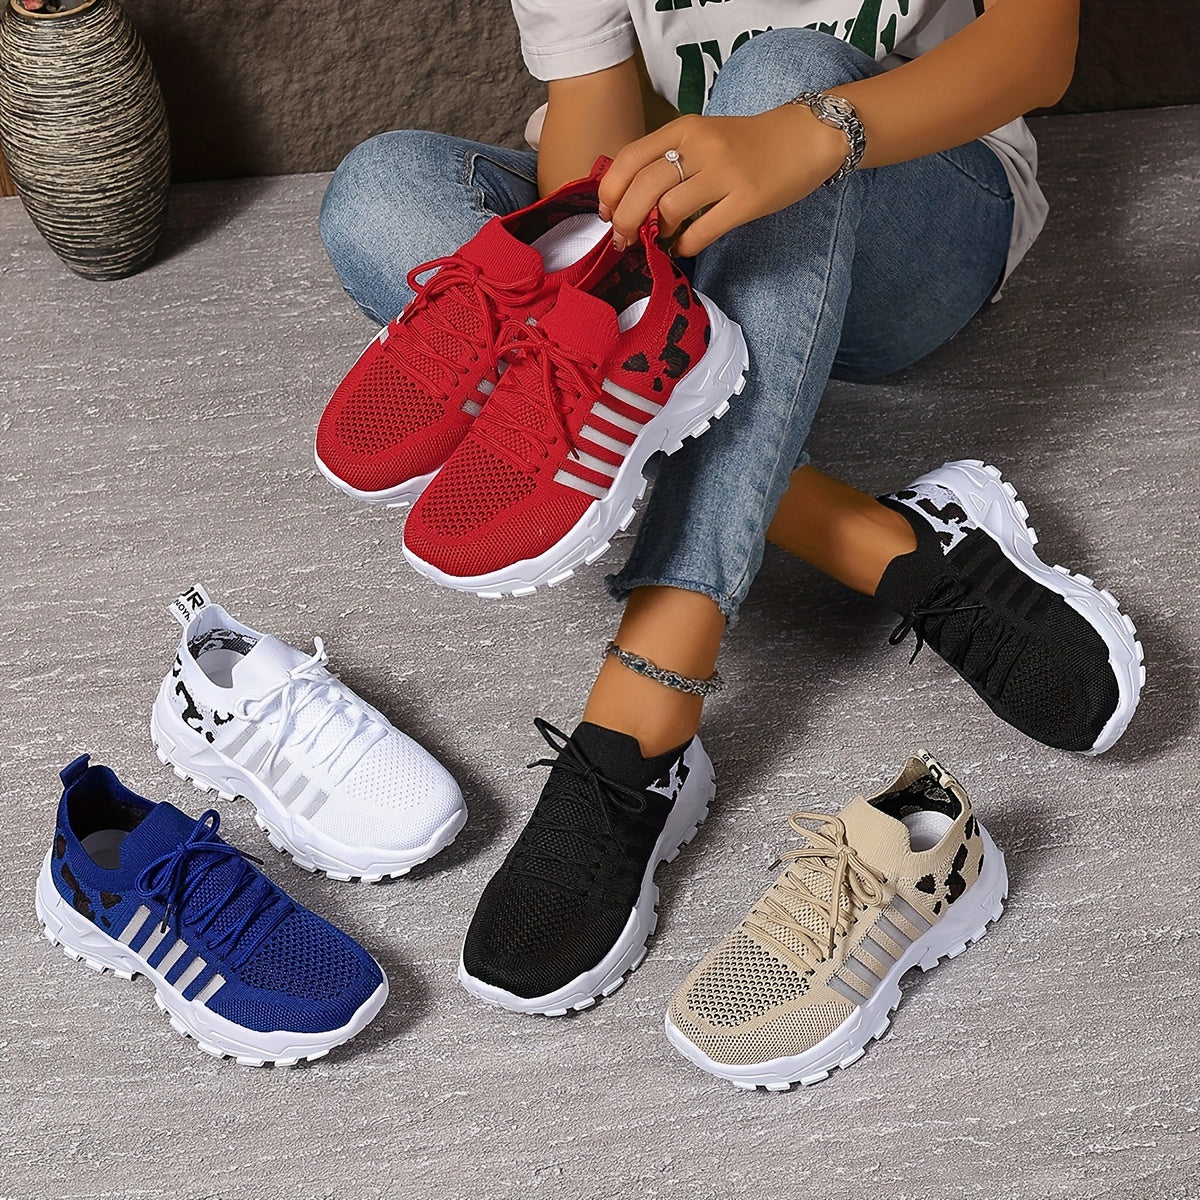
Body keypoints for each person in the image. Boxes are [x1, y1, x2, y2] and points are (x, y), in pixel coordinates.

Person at [316, 0, 1142, 1017]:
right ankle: (878, 542)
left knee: (783, 70)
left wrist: (802, 135)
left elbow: (1036, 50)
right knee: (379, 199)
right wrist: (605, 296)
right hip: (684, 218)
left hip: (912, 206)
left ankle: (645, 706)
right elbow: (592, 105)